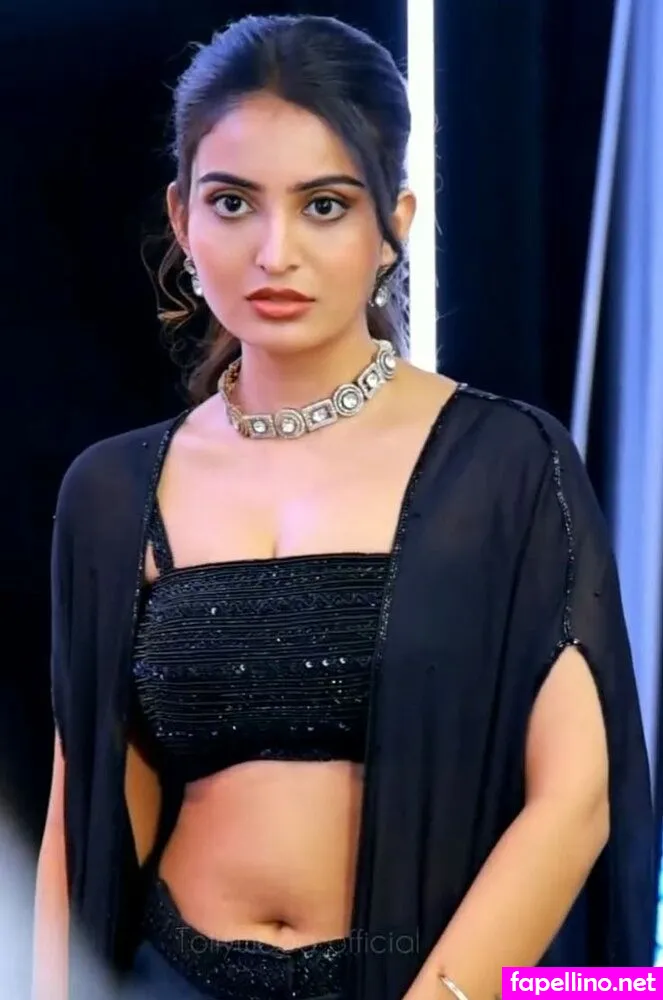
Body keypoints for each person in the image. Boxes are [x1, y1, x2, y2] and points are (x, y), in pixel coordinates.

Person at [33, 13, 656, 1000]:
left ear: (391, 224)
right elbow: (89, 823)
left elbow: (576, 799)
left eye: (323, 205)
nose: (274, 251)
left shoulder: (505, 465)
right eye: (233, 202)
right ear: (183, 220)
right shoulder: (111, 492)